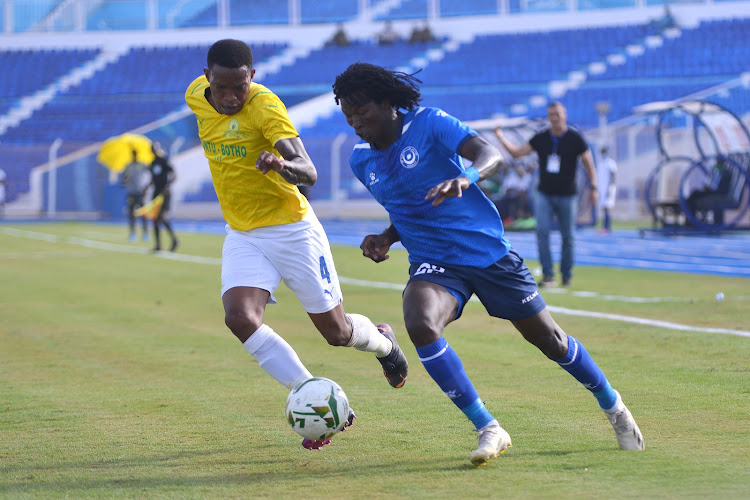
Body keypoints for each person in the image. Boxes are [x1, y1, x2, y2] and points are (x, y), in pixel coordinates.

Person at [332, 62, 644, 467]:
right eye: (349, 115)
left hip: (488, 255)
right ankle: (488, 427)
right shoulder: (362, 161)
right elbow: (408, 208)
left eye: (363, 112)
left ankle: (614, 406)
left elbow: (489, 152)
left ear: (389, 103)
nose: (356, 123)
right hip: (436, 263)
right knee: (421, 321)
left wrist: (467, 177)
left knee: (551, 341)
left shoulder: (429, 124)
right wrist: (387, 237)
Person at [184, 40, 408, 450]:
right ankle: (314, 396)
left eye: (241, 87)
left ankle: (384, 342)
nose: (232, 97)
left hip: (292, 230)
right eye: (222, 88)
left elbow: (309, 172)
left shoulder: (266, 107)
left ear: (252, 77)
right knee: (239, 317)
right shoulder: (194, 97)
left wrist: (281, 165)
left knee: (337, 333)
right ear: (207, 78)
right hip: (243, 233)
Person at [494, 102, 598, 288]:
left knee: (568, 236)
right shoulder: (541, 138)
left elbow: (588, 162)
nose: (554, 117)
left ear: (564, 115)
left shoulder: (575, 138)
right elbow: (517, 153)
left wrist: (594, 187)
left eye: (557, 114)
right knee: (542, 232)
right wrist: (500, 136)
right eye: (550, 114)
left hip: (568, 194)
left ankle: (566, 274)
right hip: (544, 194)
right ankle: (548, 274)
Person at [143, 143, 179, 252]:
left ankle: (174, 240)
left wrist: (168, 186)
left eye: (155, 149)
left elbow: (174, 174)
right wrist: (146, 188)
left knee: (162, 217)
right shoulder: (152, 163)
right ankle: (158, 245)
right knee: (155, 219)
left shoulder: (164, 160)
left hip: (164, 193)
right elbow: (153, 179)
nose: (153, 151)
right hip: (156, 192)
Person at [121, 149, 149, 242]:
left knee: (143, 213)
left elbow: (149, 174)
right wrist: (126, 180)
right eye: (133, 153)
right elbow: (123, 180)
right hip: (131, 193)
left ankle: (145, 233)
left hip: (140, 193)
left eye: (135, 153)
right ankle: (133, 233)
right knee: (131, 213)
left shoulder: (141, 165)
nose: (134, 155)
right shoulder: (128, 166)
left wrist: (146, 188)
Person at [598, 146, 617, 234]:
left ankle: (607, 227)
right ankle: (604, 227)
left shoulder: (611, 163)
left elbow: (613, 175)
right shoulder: (601, 163)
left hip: (609, 188)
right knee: (604, 208)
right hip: (602, 188)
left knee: (607, 208)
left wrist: (610, 188)